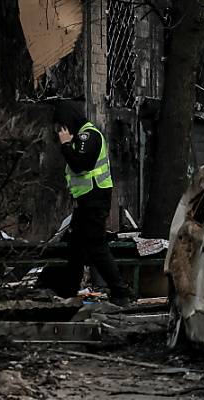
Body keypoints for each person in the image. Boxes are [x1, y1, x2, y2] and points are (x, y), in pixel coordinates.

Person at [52, 101, 131, 307]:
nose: (58, 131)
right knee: (76, 247)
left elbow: (81, 164)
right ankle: (68, 290)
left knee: (96, 246)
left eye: (61, 125)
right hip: (85, 201)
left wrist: (66, 145)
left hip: (95, 200)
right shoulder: (80, 137)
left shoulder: (89, 135)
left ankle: (120, 292)